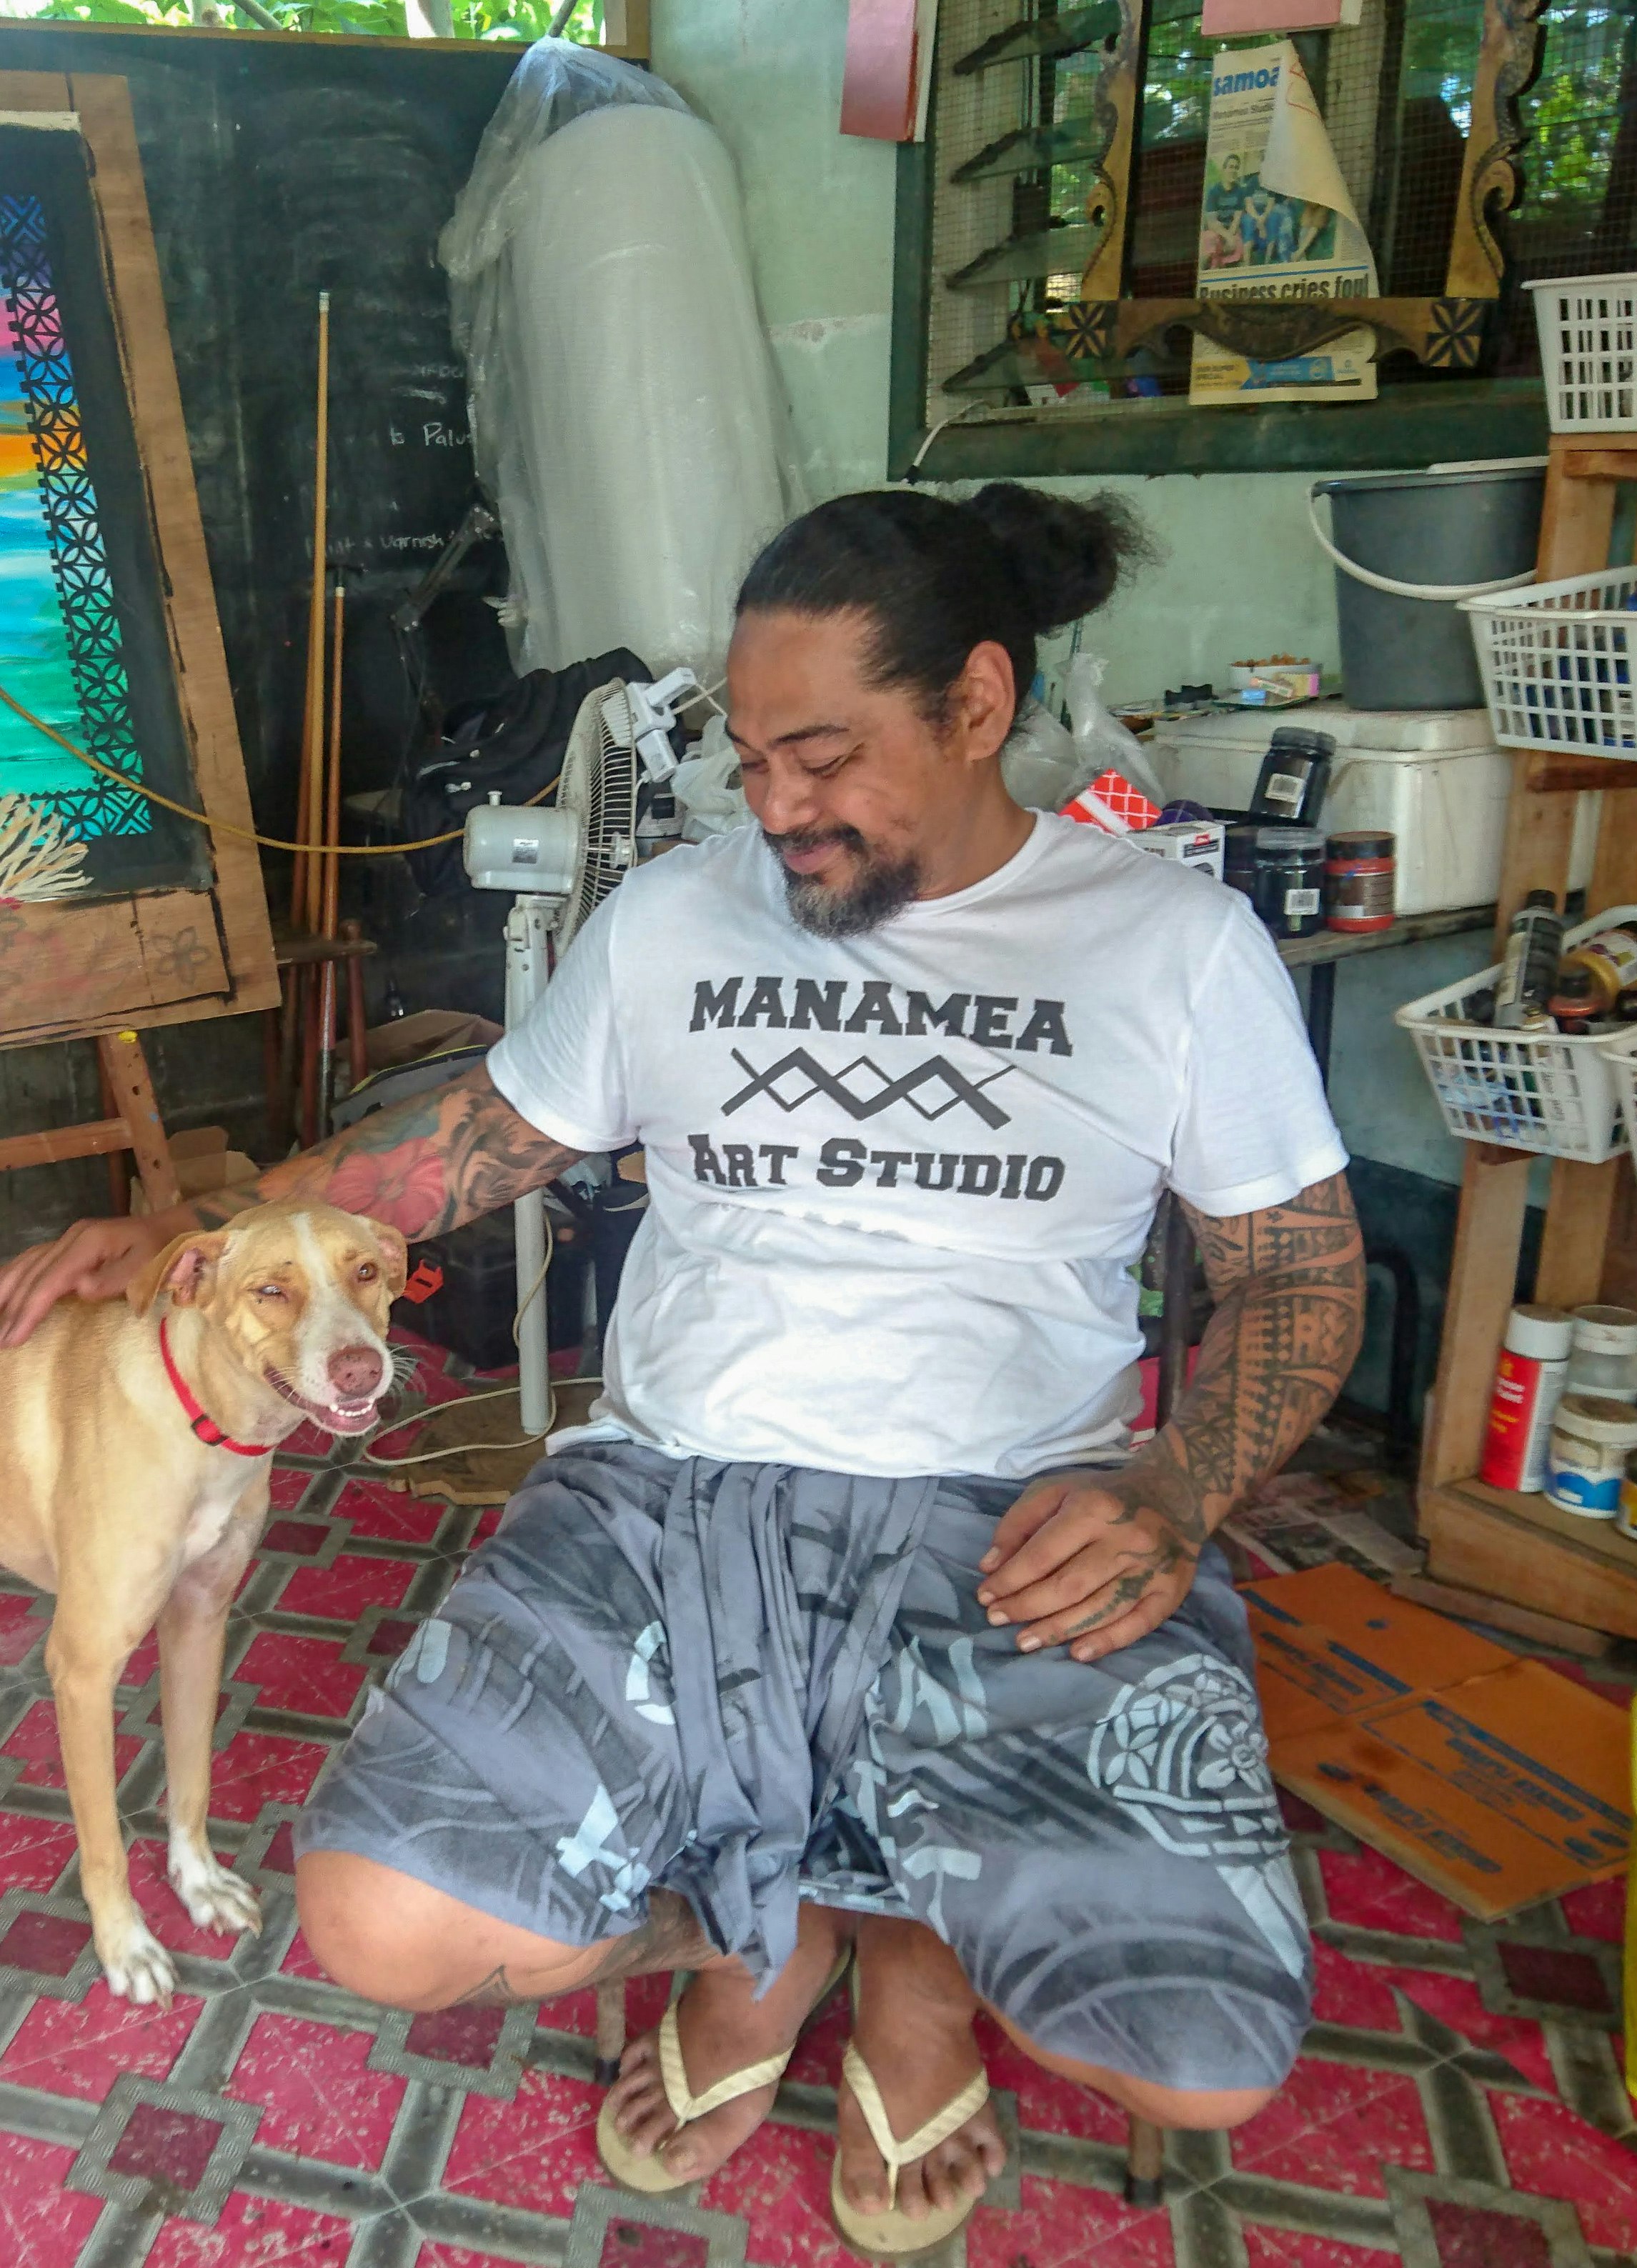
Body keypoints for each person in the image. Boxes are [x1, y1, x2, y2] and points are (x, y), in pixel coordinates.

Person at [0, 484, 1363, 2254]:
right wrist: (206, 1221)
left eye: (822, 757)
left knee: (1200, 2055)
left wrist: (1176, 1485)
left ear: (974, 704)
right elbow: (477, 1144)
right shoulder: (672, 916)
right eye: (751, 756)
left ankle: (906, 1970)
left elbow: (1295, 1273)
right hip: (668, 1491)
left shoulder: (1169, 943)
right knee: (376, 1925)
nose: (775, 809)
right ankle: (774, 1922)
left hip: (1012, 1513)